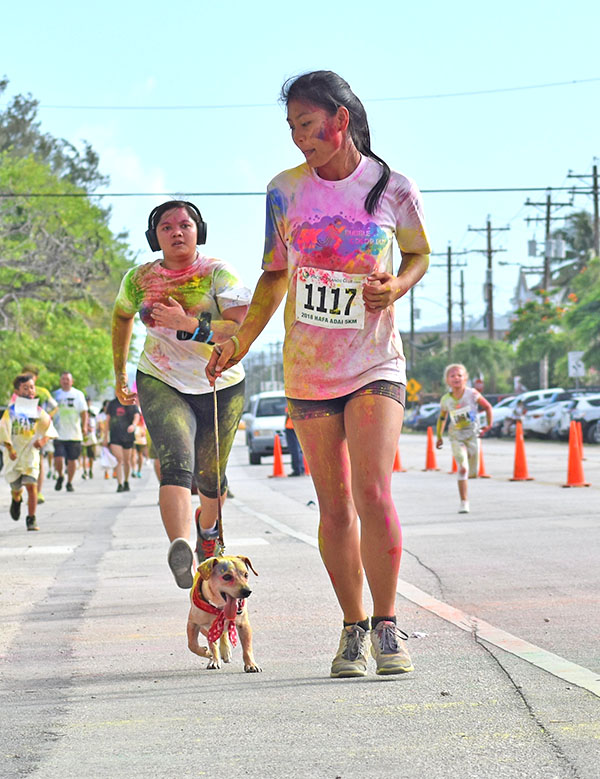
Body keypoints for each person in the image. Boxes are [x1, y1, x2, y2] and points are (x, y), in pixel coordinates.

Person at [207, 71, 430, 678]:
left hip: (375, 360)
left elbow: (418, 253)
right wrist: (239, 342)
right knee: (334, 506)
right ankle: (353, 628)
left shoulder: (392, 187)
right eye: (291, 128)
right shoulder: (284, 191)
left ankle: (387, 626)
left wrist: (397, 285)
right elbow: (274, 275)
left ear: (340, 120)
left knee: (373, 492)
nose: (298, 138)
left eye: (306, 124)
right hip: (309, 368)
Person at [111, 200, 250, 588]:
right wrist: (119, 372)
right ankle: (180, 546)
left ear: (198, 232)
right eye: (167, 227)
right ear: (154, 237)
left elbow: (240, 328)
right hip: (161, 379)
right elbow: (121, 316)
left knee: (211, 476)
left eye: (185, 225)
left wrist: (186, 322)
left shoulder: (219, 273)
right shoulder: (138, 279)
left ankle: (207, 530)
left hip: (220, 382)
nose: (176, 232)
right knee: (175, 462)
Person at [0, 373, 57, 531]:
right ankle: (16, 499)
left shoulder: (39, 412)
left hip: (31, 456)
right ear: (17, 391)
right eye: (25, 388)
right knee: (16, 488)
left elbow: (49, 429)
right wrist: (10, 448)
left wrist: (43, 441)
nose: (30, 391)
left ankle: (31, 518)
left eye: (32, 387)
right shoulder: (11, 412)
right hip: (13, 457)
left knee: (32, 486)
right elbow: (3, 430)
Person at [435, 363, 493, 513]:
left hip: (472, 435)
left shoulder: (472, 394)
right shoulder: (446, 400)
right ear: (447, 380)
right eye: (452, 376)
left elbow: (487, 407)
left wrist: (488, 425)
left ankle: (469, 475)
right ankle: (464, 502)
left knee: (472, 472)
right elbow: (442, 418)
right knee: (463, 467)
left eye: (459, 375)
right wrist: (439, 436)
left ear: (465, 378)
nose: (456, 378)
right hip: (456, 437)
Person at [52, 372, 88, 492]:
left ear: (72, 381)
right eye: (63, 379)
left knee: (72, 460)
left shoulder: (78, 394)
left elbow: (84, 412)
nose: (65, 381)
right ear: (60, 381)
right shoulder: (55, 395)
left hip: (74, 434)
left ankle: (69, 482)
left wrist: (84, 426)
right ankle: (60, 476)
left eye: (67, 379)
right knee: (58, 458)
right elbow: (49, 412)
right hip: (58, 433)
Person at [103, 396, 140, 492]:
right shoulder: (112, 404)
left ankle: (126, 481)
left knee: (126, 461)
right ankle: (119, 484)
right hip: (115, 436)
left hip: (128, 436)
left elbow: (137, 415)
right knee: (118, 459)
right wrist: (105, 437)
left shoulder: (131, 402)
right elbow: (107, 421)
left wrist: (133, 425)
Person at [284, 406, 305, 476]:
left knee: (294, 449)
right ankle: (301, 468)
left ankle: (297, 469)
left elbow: (288, 414)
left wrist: (285, 425)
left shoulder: (291, 403)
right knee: (299, 449)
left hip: (291, 427)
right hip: (299, 426)